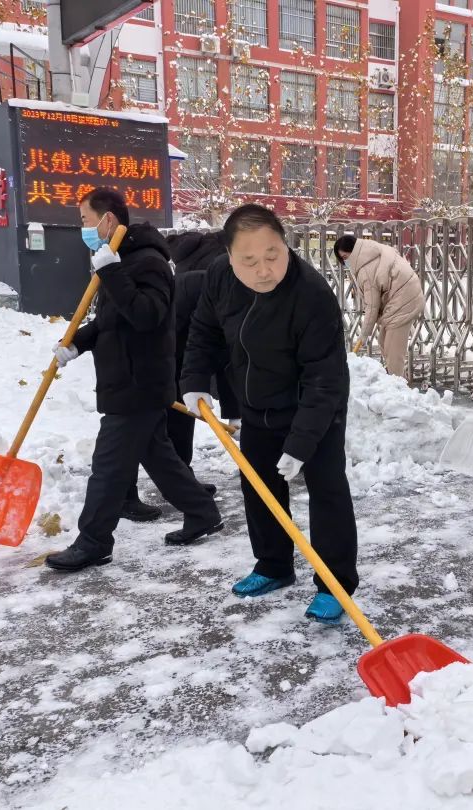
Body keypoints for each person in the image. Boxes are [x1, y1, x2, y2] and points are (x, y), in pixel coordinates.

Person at [180, 203, 358, 625]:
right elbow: (203, 330)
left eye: (273, 254)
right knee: (259, 487)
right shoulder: (220, 278)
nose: (264, 270)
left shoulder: (311, 295)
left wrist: (300, 444)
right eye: (250, 260)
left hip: (315, 405)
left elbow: (324, 379)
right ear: (229, 257)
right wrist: (194, 381)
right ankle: (273, 565)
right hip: (256, 401)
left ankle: (335, 583)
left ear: (286, 244)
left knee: (327, 489)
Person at [45, 188, 223, 571]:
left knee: (107, 467)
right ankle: (202, 512)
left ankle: (93, 540)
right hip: (128, 378)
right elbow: (114, 320)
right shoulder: (121, 259)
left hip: (137, 383)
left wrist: (110, 271)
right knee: (159, 456)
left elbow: (148, 315)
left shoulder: (147, 262)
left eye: (86, 221)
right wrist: (79, 343)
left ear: (108, 220)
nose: (84, 230)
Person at [122, 230, 241, 522]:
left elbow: (225, 355)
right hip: (141, 362)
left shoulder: (229, 296)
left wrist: (234, 412)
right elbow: (154, 334)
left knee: (181, 422)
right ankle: (124, 495)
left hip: (177, 364)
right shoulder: (191, 288)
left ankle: (182, 481)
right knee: (137, 432)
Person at [333, 235, 425, 379]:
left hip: (404, 301)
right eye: (342, 259)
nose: (346, 262)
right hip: (401, 297)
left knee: (393, 348)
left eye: (345, 257)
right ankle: (393, 379)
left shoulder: (366, 269)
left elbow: (372, 306)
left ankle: (398, 387)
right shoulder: (370, 252)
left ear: (353, 251)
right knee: (383, 340)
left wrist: (363, 335)